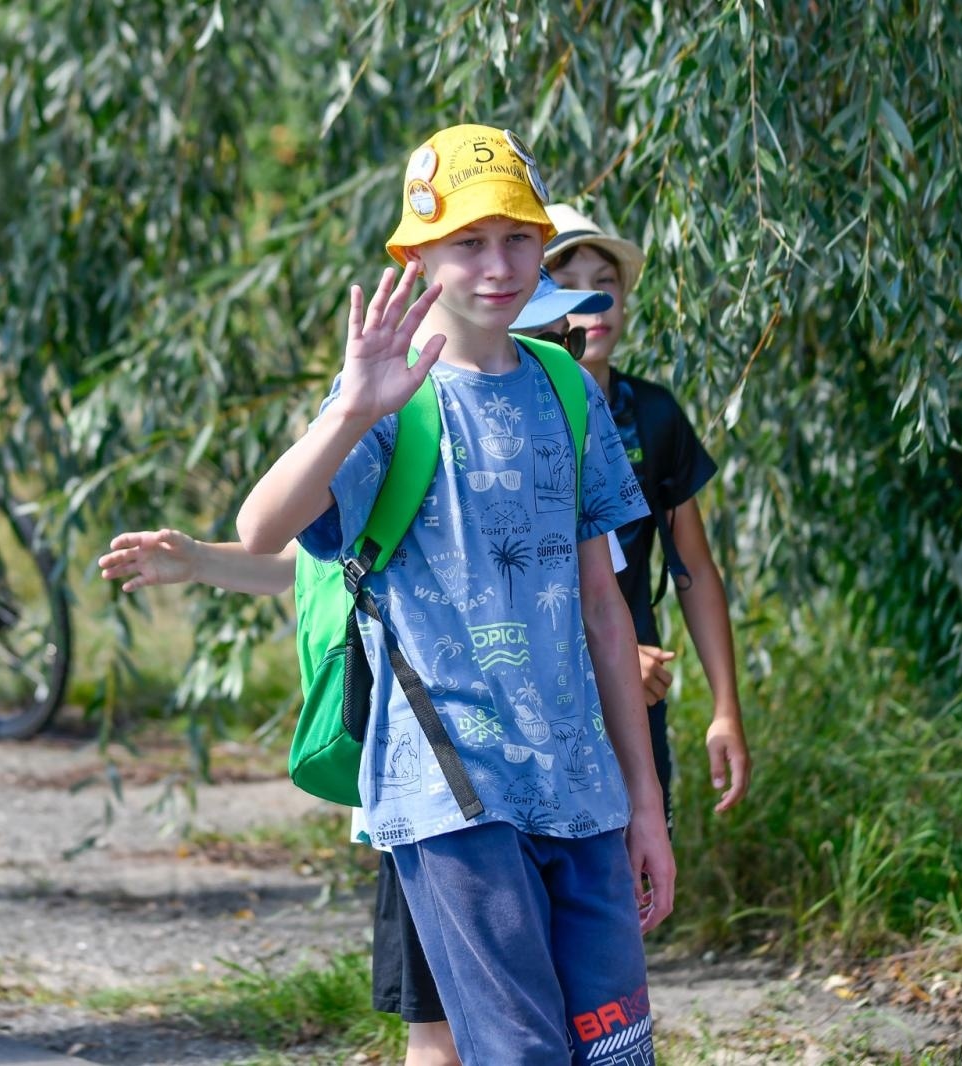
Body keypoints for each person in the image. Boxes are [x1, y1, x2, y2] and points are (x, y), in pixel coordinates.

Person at [234, 124, 672, 1064]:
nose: (499, 264)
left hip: (581, 787)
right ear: (416, 254)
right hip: (454, 789)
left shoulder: (566, 386)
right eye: (467, 242)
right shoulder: (389, 398)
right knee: (521, 1054)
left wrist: (645, 803)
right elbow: (260, 531)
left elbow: (604, 606)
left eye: (517, 237)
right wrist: (354, 407)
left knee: (616, 1052)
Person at [542, 203, 750, 828]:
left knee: (634, 890)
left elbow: (695, 571)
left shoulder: (654, 414)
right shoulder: (511, 421)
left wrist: (725, 709)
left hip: (638, 694)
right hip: (538, 699)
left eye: (605, 282)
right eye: (567, 284)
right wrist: (599, 654)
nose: (591, 302)